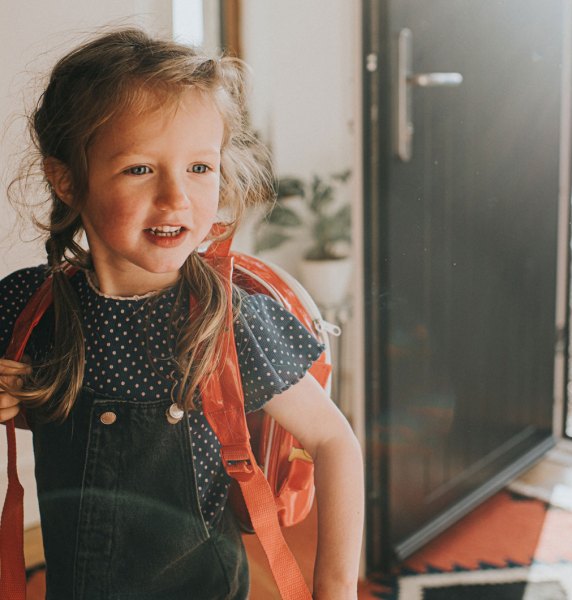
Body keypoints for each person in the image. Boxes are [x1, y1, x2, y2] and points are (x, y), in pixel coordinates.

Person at [0, 27, 363, 599]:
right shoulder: (26, 306)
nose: (176, 198)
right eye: (140, 169)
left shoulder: (230, 321)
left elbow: (334, 441)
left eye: (199, 168)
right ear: (66, 179)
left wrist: (336, 587)